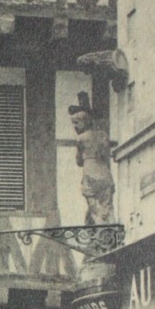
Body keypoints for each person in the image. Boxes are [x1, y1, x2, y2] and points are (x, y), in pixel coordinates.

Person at [68, 92, 115, 225]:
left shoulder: (82, 138)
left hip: (90, 174)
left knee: (94, 206)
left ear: (84, 122)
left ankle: (100, 224)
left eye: (76, 123)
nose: (75, 127)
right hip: (105, 174)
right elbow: (105, 155)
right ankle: (107, 224)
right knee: (107, 205)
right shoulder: (103, 136)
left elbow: (78, 161)